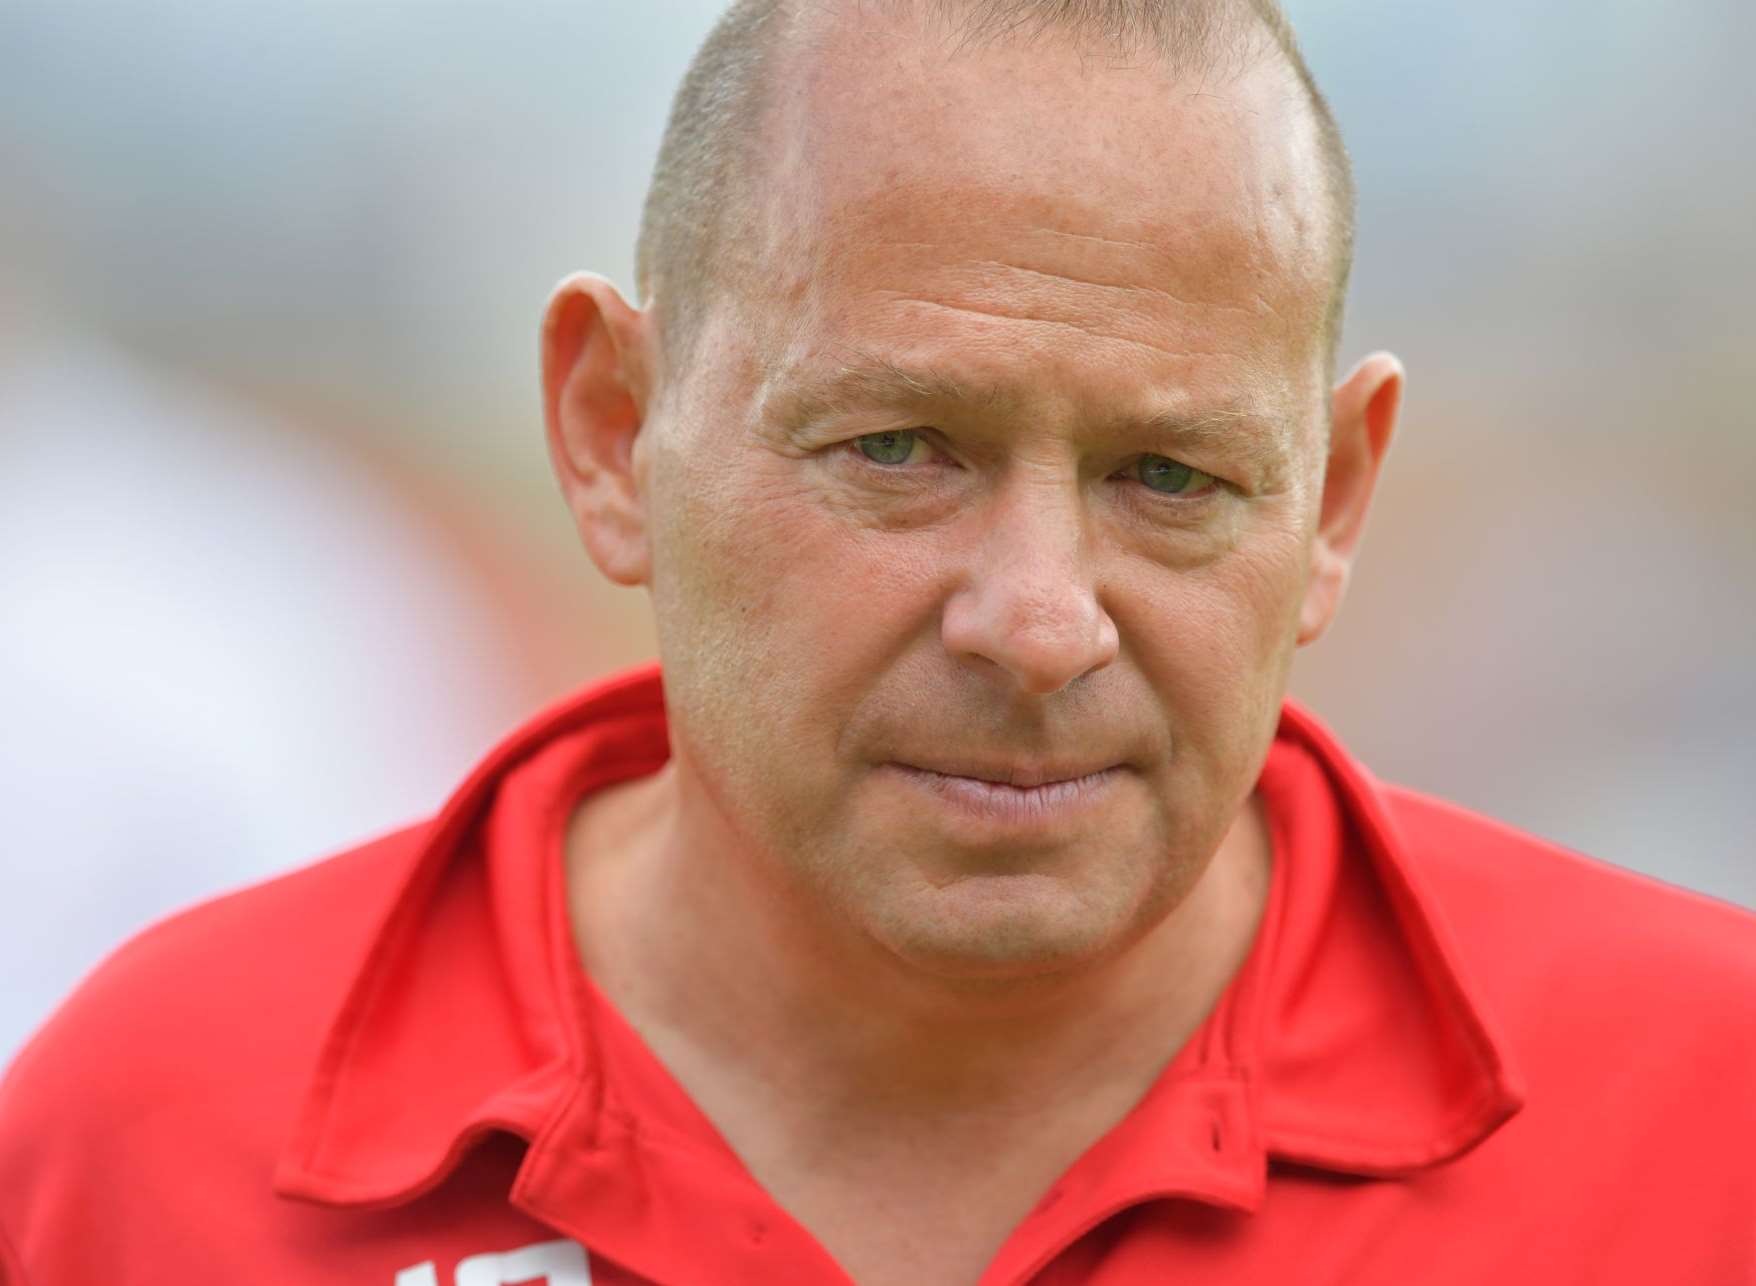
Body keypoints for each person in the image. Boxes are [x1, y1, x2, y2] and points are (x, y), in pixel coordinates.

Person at [2, 0, 1752, 1282]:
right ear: (616, 430)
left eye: (1172, 473)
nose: (1039, 621)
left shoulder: (1702, 1118)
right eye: (898, 449)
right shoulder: (156, 1138)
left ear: (1336, 503)